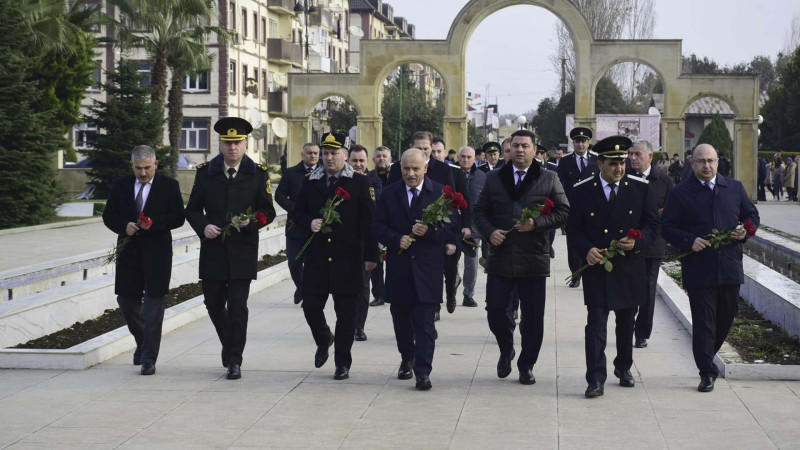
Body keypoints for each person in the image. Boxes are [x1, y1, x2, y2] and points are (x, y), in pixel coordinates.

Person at [566, 135, 660, 398]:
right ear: (599, 164)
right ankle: (595, 378)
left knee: (626, 322)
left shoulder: (640, 189)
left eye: (622, 162)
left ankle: (624, 366)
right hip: (597, 268)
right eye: (612, 163)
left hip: (629, 267)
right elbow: (574, 230)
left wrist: (638, 243)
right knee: (595, 323)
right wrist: (587, 250)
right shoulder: (582, 191)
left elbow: (653, 226)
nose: (619, 168)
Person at [474, 129, 569, 385]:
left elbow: (563, 212)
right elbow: (478, 212)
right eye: (515, 145)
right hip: (501, 256)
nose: (519, 150)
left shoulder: (549, 178)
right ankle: (506, 349)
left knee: (533, 317)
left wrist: (537, 223)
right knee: (495, 311)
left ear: (534, 150)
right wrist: (489, 232)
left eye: (525, 146)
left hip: (533, 257)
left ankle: (527, 364)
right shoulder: (495, 178)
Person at [661, 143, 759, 392]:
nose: (706, 165)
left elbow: (752, 216)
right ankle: (706, 371)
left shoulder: (734, 188)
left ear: (718, 162)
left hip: (729, 265)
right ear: (692, 163)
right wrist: (688, 240)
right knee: (704, 320)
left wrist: (744, 231)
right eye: (701, 161)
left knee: (726, 317)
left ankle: (705, 355)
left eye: (711, 161)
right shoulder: (680, 192)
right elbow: (668, 227)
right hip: (698, 267)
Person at [185, 116, 277, 380]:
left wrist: (252, 222)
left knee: (238, 307)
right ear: (220, 144)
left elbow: (268, 211)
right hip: (213, 250)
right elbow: (191, 210)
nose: (232, 148)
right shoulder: (206, 172)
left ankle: (234, 360)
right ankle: (229, 344)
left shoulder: (258, 174)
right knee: (213, 304)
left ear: (246, 143)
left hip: (242, 251)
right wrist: (203, 226)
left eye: (237, 142)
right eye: (227, 142)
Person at [294, 132, 378, 380]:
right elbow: (297, 213)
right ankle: (323, 338)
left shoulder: (360, 183)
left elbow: (369, 221)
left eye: (334, 153)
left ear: (345, 154)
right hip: (318, 259)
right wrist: (309, 222)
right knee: (310, 306)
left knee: (346, 315)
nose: (329, 158)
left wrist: (371, 255)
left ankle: (343, 363)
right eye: (325, 153)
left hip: (348, 259)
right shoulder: (311, 181)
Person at [373, 148, 458, 390]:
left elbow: (451, 229)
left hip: (428, 269)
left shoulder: (440, 194)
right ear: (399, 169)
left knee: (425, 324)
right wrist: (395, 238)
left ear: (425, 169)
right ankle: (406, 357)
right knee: (401, 321)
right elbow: (377, 226)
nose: (410, 174)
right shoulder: (389, 194)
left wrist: (429, 232)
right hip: (399, 268)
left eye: (415, 169)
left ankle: (423, 371)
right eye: (406, 169)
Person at [103, 145, 185, 375]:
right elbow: (108, 215)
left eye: (147, 168)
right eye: (138, 168)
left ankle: (149, 358)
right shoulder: (121, 186)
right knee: (126, 303)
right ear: (132, 166)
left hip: (157, 254)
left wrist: (155, 223)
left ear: (155, 165)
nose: (143, 173)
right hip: (129, 253)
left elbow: (178, 217)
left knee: (153, 308)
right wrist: (123, 226)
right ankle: (142, 342)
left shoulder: (169, 186)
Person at [627, 140, 674, 349]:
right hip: (626, 244)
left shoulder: (664, 181)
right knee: (627, 291)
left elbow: (672, 213)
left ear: (650, 157)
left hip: (652, 246)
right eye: (631, 154)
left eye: (637, 154)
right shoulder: (624, 177)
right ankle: (626, 328)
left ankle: (642, 332)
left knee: (647, 291)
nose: (633, 158)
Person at [275, 143, 319, 305]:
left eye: (315, 153)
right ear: (303, 155)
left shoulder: (324, 173)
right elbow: (279, 195)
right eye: (309, 153)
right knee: (294, 261)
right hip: (295, 226)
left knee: (312, 264)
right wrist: (295, 209)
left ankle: (308, 292)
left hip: (316, 227)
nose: (312, 156)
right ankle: (300, 287)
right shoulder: (291, 173)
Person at [347, 144, 383, 342]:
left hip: (364, 241)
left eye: (362, 161)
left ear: (367, 162)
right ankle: (346, 323)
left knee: (362, 286)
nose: (358, 164)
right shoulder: (340, 180)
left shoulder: (373, 181)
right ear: (348, 160)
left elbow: (373, 207)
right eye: (355, 161)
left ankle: (358, 326)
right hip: (343, 243)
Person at [432, 137, 471, 315]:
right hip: (431, 229)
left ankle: (451, 293)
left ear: (445, 152)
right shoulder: (423, 170)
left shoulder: (455, 172)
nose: (436, 155)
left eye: (439, 151)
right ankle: (435, 307)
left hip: (451, 228)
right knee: (434, 270)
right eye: (433, 152)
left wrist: (466, 225)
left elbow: (465, 202)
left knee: (450, 268)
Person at [557, 127, 599, 288]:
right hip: (572, 208)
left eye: (584, 141)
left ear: (588, 143)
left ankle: (591, 271)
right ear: (573, 143)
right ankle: (576, 274)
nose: (580, 144)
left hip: (594, 208)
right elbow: (559, 183)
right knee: (573, 242)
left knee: (592, 240)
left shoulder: (597, 160)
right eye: (577, 141)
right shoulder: (565, 161)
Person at [456, 146, 486, 307]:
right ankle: (452, 286)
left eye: (469, 157)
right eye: (463, 157)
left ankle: (468, 294)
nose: (466, 160)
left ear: (475, 159)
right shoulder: (451, 174)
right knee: (450, 262)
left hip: (474, 227)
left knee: (471, 263)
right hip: (454, 225)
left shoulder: (482, 177)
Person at [369, 146, 393, 307]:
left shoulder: (397, 176)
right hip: (375, 224)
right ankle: (379, 295)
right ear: (374, 159)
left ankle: (391, 293)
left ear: (390, 159)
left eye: (384, 156)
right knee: (376, 263)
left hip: (393, 225)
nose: (381, 159)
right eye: (378, 156)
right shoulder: (369, 178)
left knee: (393, 263)